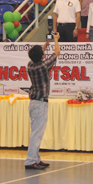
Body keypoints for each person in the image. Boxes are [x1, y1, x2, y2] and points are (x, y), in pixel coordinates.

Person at [25, 32, 60, 170]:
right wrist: (55, 40)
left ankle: (36, 158)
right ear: (41, 56)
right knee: (37, 134)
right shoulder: (43, 66)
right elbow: (57, 52)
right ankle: (30, 160)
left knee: (36, 132)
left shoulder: (30, 65)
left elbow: (40, 53)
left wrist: (47, 43)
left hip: (34, 102)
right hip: (40, 103)